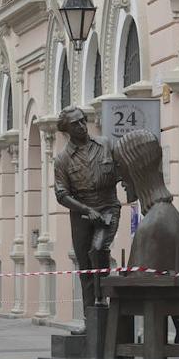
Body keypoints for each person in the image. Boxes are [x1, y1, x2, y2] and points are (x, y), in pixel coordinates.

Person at [53, 106, 129, 317]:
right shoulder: (63, 159)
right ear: (66, 129)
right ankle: (90, 320)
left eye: (82, 120)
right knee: (85, 267)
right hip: (81, 214)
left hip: (108, 207)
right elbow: (61, 194)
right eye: (75, 123)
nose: (81, 125)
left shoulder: (105, 144)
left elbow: (122, 170)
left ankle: (102, 302)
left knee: (98, 250)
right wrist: (86, 209)